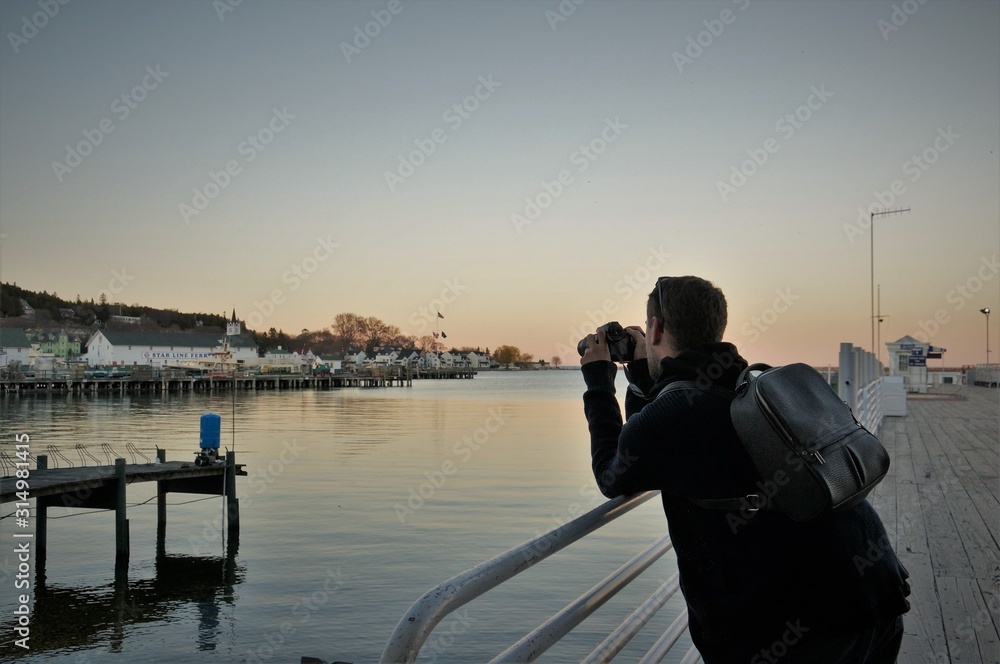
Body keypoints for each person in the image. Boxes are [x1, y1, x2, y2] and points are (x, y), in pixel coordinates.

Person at [579, 275, 910, 663]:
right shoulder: (749, 381)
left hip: (808, 630)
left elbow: (612, 473)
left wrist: (599, 382)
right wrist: (641, 376)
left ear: (655, 329)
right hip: (875, 588)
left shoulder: (671, 417)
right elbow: (653, 437)